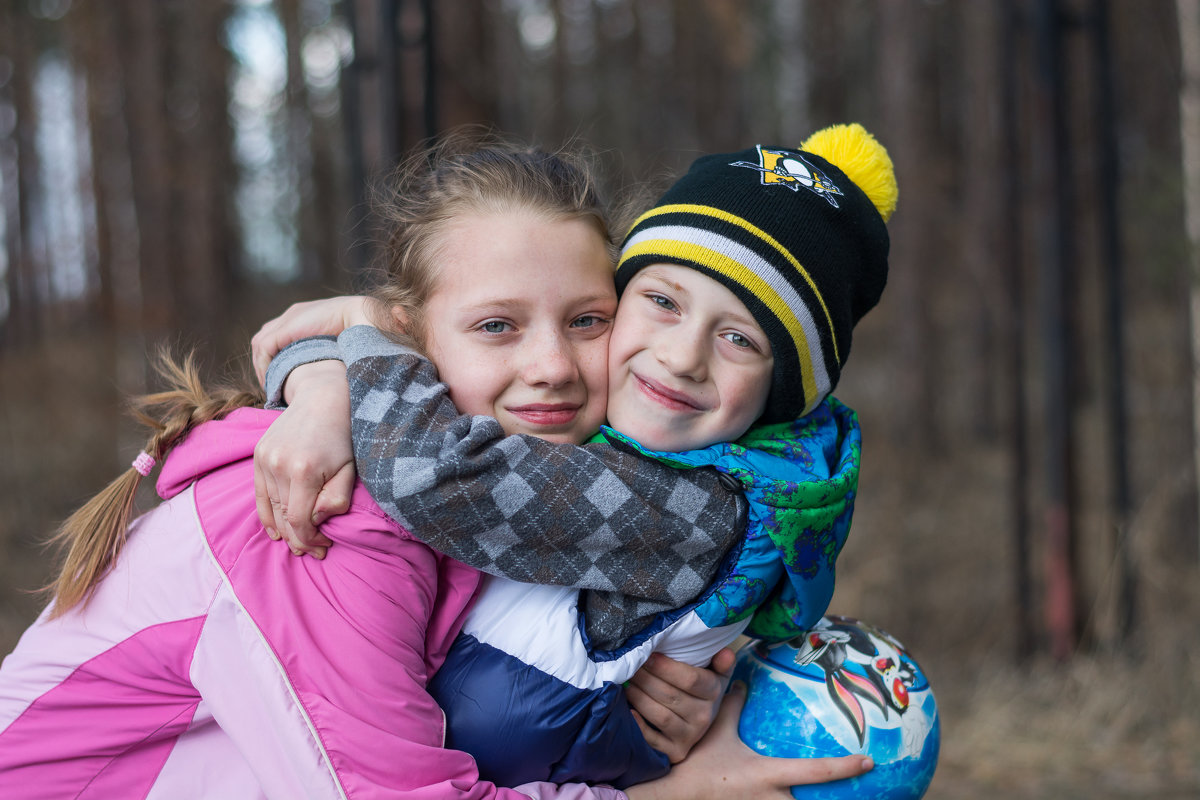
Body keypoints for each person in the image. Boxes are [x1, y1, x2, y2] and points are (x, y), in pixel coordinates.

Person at [0, 136, 871, 799]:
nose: (554, 369)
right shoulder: (324, 520)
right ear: (412, 337)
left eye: (587, 320)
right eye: (497, 326)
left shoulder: (516, 493)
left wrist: (633, 726)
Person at [253, 124, 896, 787]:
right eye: (662, 302)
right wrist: (319, 375)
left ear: (780, 392)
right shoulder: (609, 434)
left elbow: (432, 476)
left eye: (739, 338)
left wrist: (363, 330)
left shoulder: (693, 508)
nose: (680, 357)